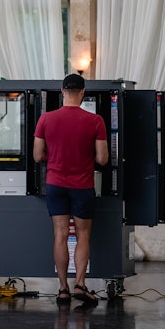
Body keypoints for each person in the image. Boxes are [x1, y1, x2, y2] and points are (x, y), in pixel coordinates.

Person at [33, 74, 108, 306]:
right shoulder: (95, 121)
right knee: (83, 235)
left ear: (62, 91)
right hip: (82, 186)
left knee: (60, 235)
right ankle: (80, 285)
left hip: (55, 184)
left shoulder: (46, 119)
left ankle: (63, 288)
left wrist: (53, 156)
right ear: (83, 92)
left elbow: (37, 156)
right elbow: (103, 159)